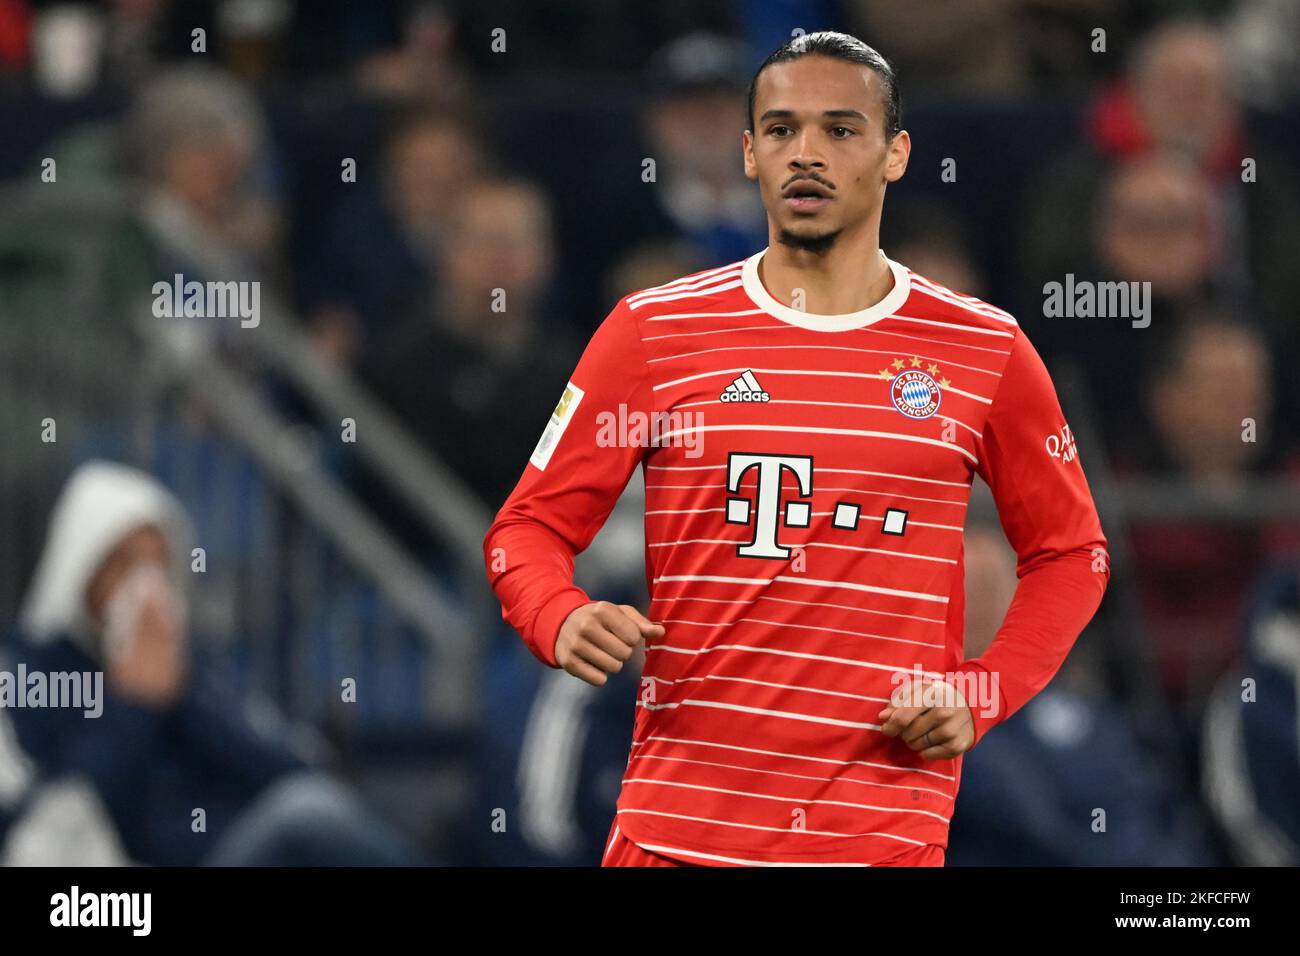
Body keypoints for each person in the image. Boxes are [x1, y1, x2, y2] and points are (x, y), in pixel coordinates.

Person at [484, 32, 1109, 867]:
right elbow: (524, 529)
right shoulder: (651, 331)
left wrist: (981, 690)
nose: (805, 153)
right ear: (748, 152)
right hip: (677, 833)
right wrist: (556, 614)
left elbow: (1073, 552)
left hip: (879, 838)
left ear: (896, 154)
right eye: (780, 130)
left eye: (841, 130)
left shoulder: (984, 350)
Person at [4, 460, 419, 866]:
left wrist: (182, 692)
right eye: (124, 564)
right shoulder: (33, 670)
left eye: (157, 564)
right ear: (79, 568)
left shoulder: (191, 668)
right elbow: (64, 817)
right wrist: (134, 703)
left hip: (245, 845)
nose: (145, 587)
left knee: (316, 809)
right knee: (303, 816)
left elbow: (293, 771)